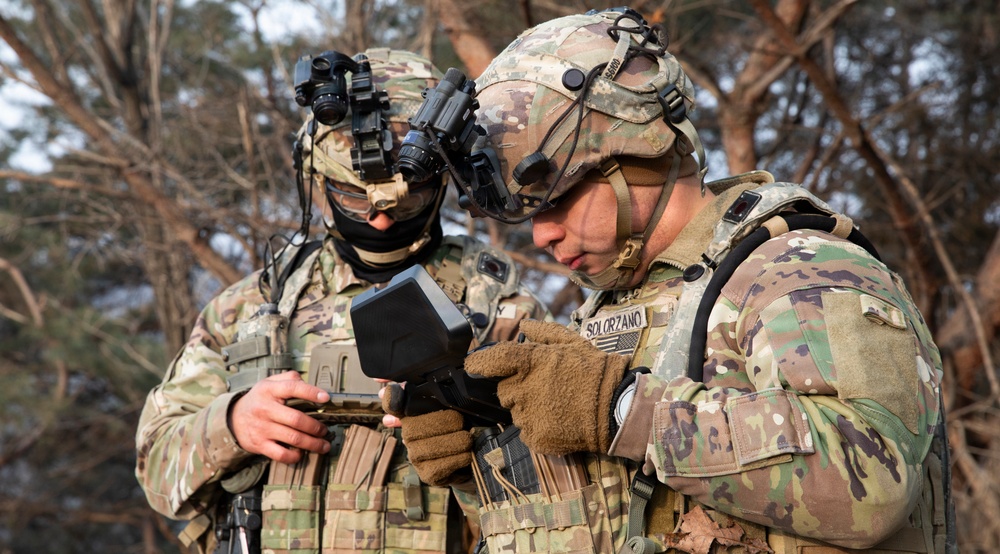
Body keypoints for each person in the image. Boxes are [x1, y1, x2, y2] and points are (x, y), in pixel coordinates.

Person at [389, 8, 954, 554]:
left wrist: (620, 406)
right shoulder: (615, 310)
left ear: (638, 153)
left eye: (555, 201)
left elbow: (876, 484)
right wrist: (482, 463)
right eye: (528, 215)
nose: (542, 237)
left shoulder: (797, 269)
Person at [134, 48, 551, 554]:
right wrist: (232, 423)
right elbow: (156, 473)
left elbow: (561, 500)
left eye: (409, 196)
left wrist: (468, 460)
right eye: (354, 195)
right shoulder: (251, 308)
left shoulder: (501, 309)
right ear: (317, 180)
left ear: (444, 179)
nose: (378, 220)